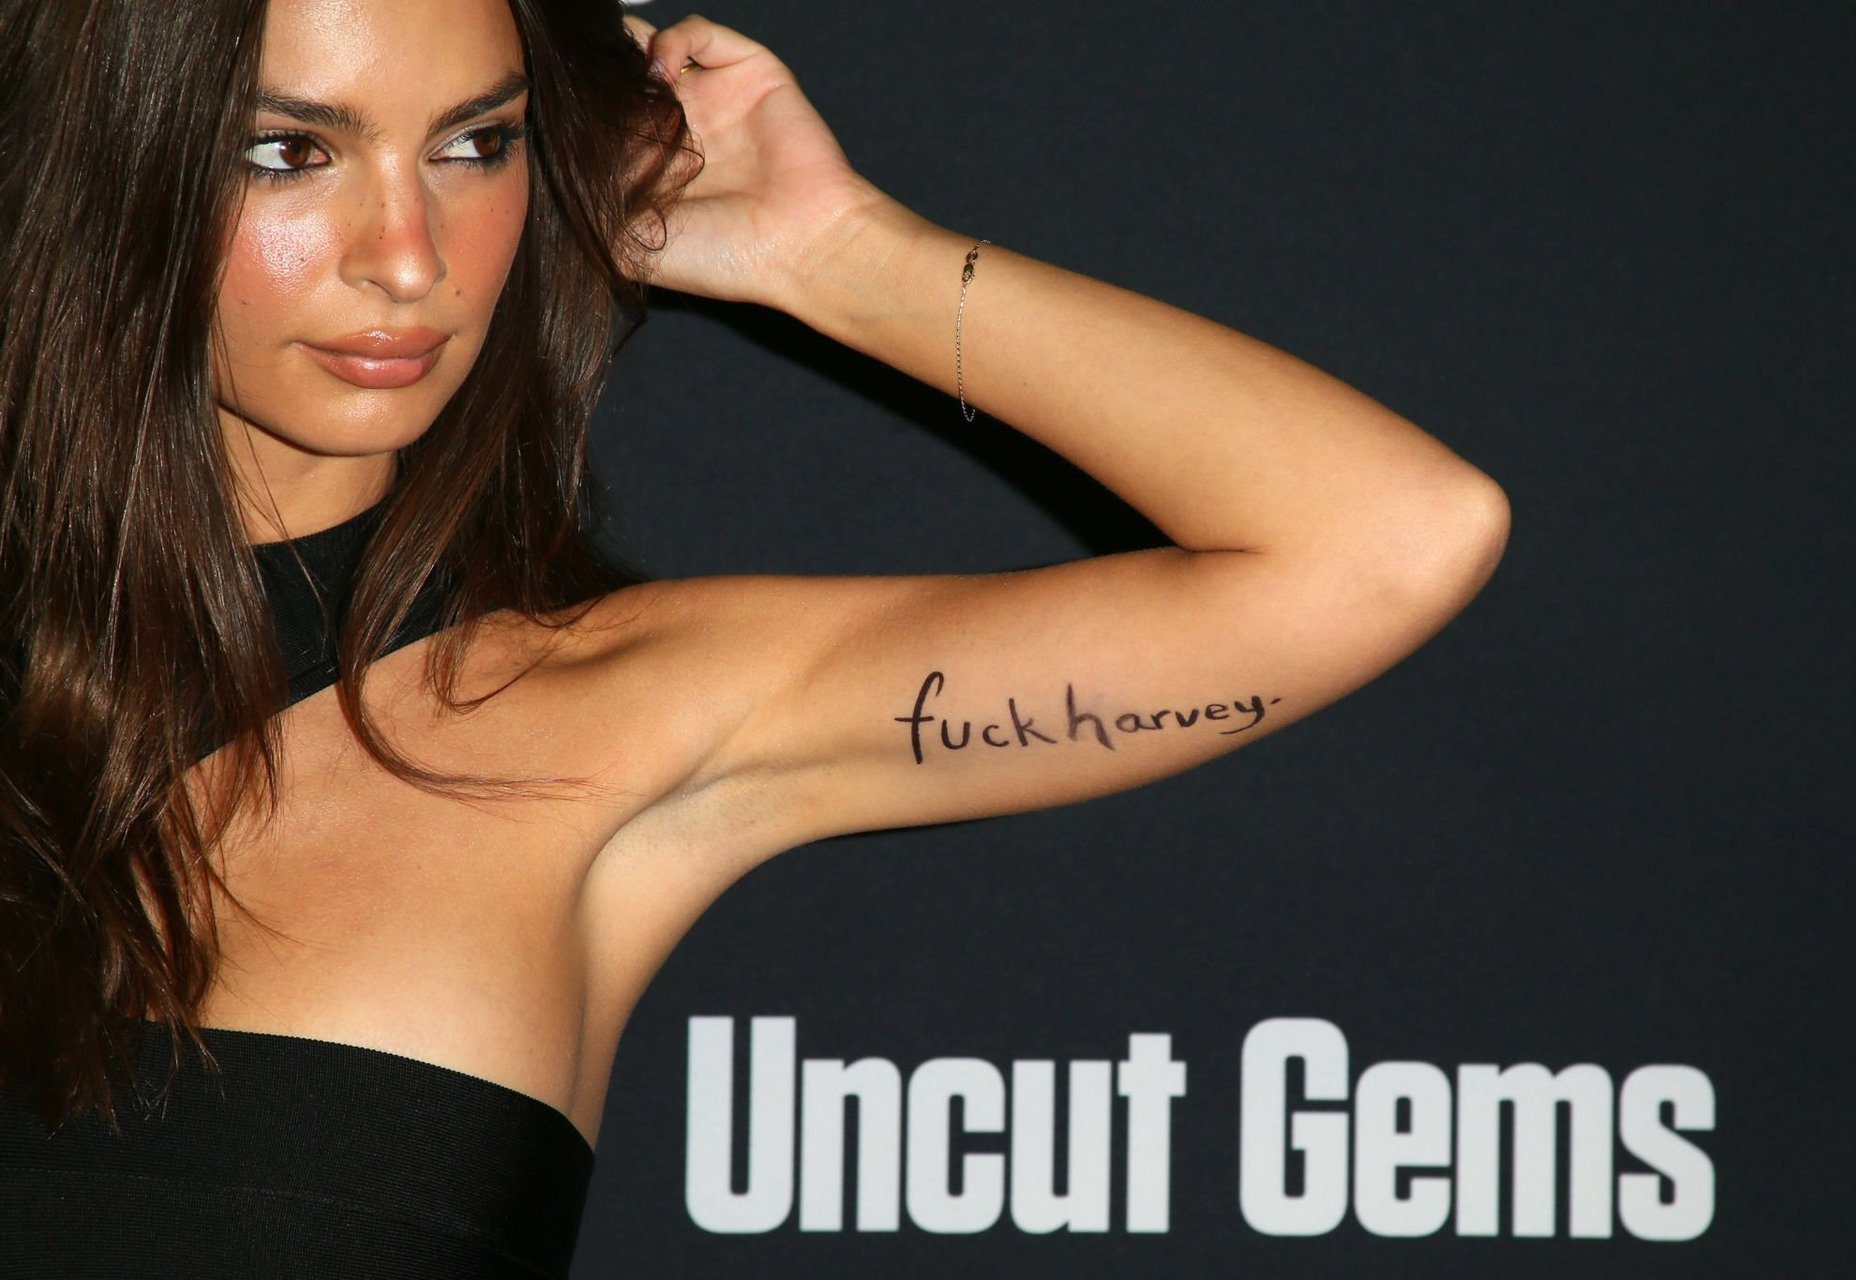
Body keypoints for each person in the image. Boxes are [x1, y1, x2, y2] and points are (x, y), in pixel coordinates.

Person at [0, 1, 1509, 1274]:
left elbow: (1388, 541)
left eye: (478, 145)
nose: (410, 256)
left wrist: (834, 251)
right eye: (288, 152)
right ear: (94, 157)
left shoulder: (610, 712)